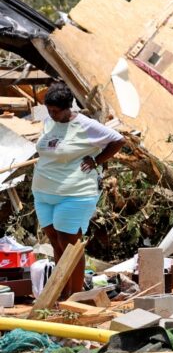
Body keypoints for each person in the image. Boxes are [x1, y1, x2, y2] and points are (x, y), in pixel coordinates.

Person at [33, 82, 125, 298]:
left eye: (56, 111)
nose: (52, 114)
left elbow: (118, 140)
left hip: (74, 193)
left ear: (68, 108)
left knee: (69, 244)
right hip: (44, 192)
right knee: (56, 242)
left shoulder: (85, 125)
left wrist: (97, 160)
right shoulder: (49, 122)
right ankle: (61, 295)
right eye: (49, 110)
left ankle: (76, 298)